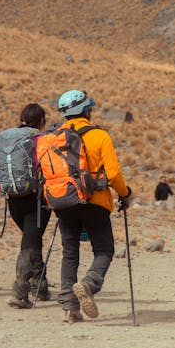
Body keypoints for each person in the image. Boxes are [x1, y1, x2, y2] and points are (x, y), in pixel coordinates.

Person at [49, 89, 131, 324]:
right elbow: (114, 173)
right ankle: (89, 283)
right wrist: (124, 194)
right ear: (87, 110)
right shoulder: (100, 136)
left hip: (64, 201)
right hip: (95, 201)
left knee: (69, 252)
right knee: (104, 250)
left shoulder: (55, 137)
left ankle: (69, 308)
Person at [0, 103, 52, 309]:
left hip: (13, 202)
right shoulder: (40, 140)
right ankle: (20, 292)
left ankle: (40, 286)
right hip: (36, 200)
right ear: (41, 121)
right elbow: (49, 168)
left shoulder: (8, 142)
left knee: (32, 239)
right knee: (29, 244)